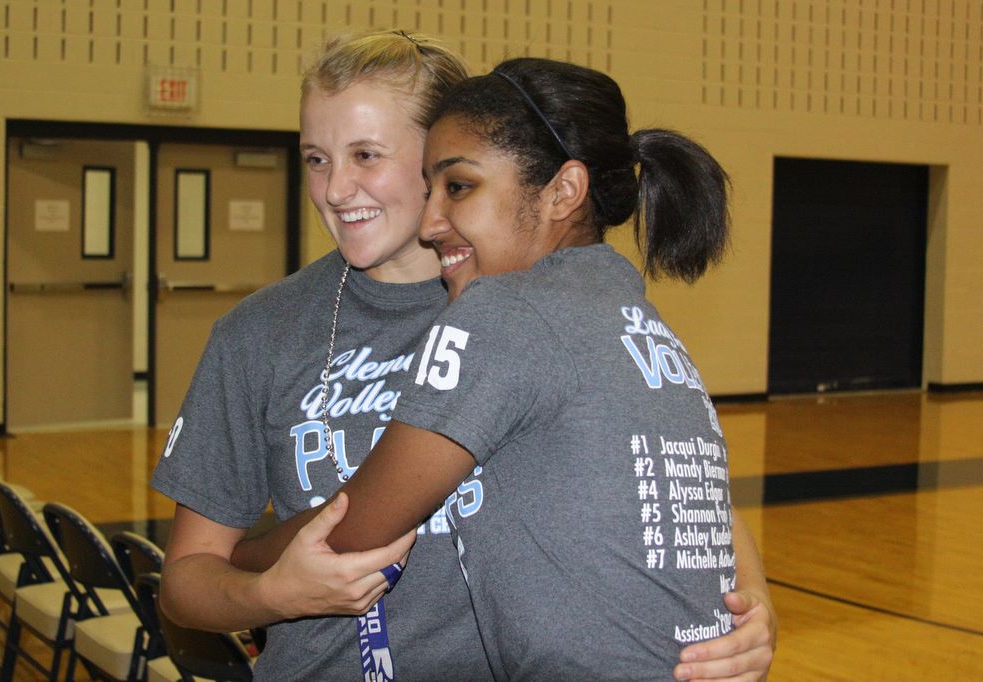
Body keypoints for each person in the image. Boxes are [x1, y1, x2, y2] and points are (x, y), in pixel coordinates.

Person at [153, 30, 774, 681]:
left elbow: (676, 478)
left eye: (366, 155)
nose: (336, 188)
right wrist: (271, 594)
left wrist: (752, 604)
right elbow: (186, 582)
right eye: (315, 158)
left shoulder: (532, 305)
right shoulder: (257, 335)